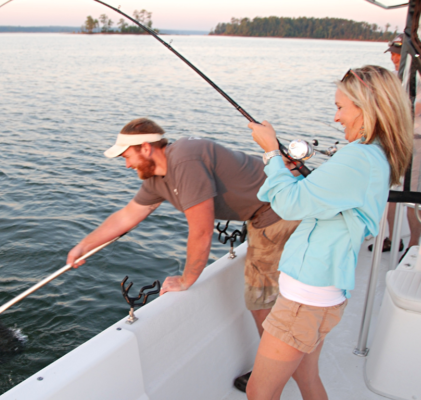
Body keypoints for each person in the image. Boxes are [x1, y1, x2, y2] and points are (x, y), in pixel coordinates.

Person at [66, 118, 299, 377]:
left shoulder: (185, 160)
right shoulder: (156, 179)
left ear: (145, 148)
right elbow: (127, 216)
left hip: (279, 207)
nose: (127, 164)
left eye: (127, 156)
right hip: (260, 213)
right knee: (261, 297)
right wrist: (83, 246)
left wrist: (187, 280)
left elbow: (201, 232)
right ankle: (278, 361)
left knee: (261, 299)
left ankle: (273, 373)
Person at [246, 65, 413, 400]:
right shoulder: (374, 155)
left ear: (367, 109)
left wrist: (270, 153)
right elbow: (316, 200)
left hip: (305, 299)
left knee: (258, 392)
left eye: (340, 107)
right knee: (307, 380)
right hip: (322, 291)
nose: (336, 118)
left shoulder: (357, 158)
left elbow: (290, 205)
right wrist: (288, 173)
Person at [370, 33, 420, 254]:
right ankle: (391, 237)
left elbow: (413, 110)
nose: (394, 58)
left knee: (411, 194)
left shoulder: (416, 79)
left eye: (398, 54)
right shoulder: (393, 78)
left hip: (416, 141)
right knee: (390, 191)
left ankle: (413, 245)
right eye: (393, 54)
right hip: (395, 141)